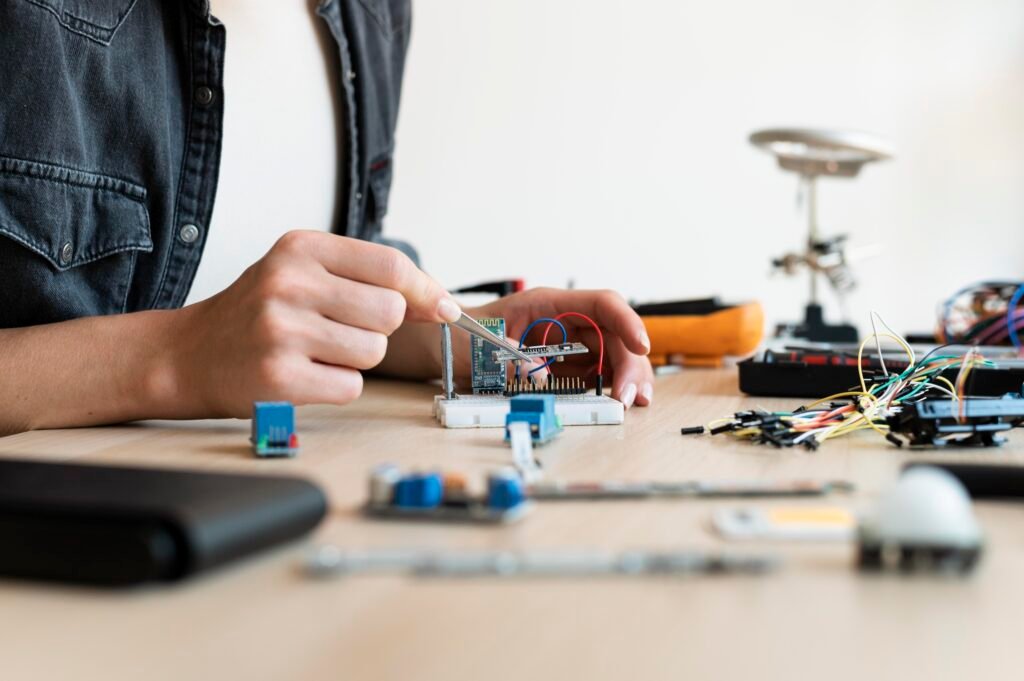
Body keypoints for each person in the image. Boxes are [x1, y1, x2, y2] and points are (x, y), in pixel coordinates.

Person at [0, 1, 654, 436]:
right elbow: (222, 340)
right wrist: (178, 355)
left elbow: (298, 320)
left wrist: (469, 338)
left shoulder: (374, 14)